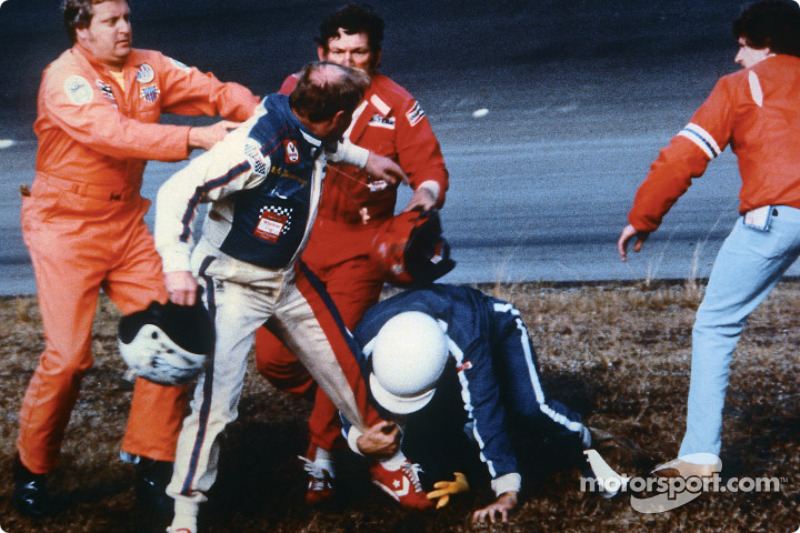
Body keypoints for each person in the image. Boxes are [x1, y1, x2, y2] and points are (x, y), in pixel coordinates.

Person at [155, 61, 433, 533]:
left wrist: (366, 160)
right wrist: (176, 265)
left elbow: (325, 145)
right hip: (231, 285)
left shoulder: (309, 122)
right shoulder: (254, 148)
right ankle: (185, 512)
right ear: (341, 114)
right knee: (216, 404)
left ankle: (387, 460)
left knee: (346, 366)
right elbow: (178, 189)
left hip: (286, 278)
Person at [14, 0, 260, 518]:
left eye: (127, 17)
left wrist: (262, 116)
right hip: (64, 227)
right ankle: (32, 470)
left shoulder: (147, 67)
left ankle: (151, 461)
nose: (125, 28)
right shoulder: (65, 79)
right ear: (81, 30)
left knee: (177, 332)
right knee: (68, 359)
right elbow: (115, 135)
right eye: (110, 21)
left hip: (123, 225)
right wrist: (196, 137)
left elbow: (212, 91)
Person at [254, 2, 450, 505]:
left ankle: (320, 453)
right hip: (296, 244)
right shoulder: (294, 90)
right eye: (337, 50)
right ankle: (361, 406)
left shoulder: (398, 103)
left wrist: (424, 200)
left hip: (361, 249)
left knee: (331, 352)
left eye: (358, 51)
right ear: (320, 53)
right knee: (273, 359)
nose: (347, 60)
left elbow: (429, 168)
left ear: (376, 54)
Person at [617, 0, 800, 477]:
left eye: (744, 47)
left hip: (773, 217)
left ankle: (699, 459)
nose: (738, 57)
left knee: (715, 326)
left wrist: (644, 216)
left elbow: (683, 158)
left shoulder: (738, 86)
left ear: (766, 46)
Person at [343, 284, 609, 523]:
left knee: (529, 409)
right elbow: (339, 392)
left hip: (496, 329)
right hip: (441, 352)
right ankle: (468, 458)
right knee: (429, 451)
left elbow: (485, 408)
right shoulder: (362, 337)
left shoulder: (465, 332)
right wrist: (357, 439)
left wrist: (506, 491)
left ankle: (585, 439)